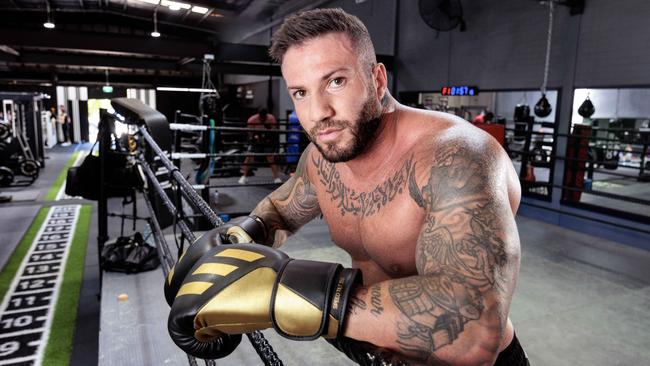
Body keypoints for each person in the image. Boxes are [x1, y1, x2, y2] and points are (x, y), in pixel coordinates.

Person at [167, 8, 527, 366]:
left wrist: (289, 293)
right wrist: (245, 233)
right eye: (301, 92)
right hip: (367, 348)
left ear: (378, 80)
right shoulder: (323, 157)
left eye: (335, 81)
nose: (318, 112)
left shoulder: (456, 157)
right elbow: (281, 211)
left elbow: (475, 332)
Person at [239, 108, 282, 184]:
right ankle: (244, 177)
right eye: (261, 118)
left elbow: (274, 131)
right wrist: (254, 137)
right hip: (256, 140)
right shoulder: (252, 120)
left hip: (268, 140)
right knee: (249, 156)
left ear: (266, 116)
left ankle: (276, 178)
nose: (262, 119)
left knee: (270, 157)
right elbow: (250, 134)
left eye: (264, 118)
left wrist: (268, 134)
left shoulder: (271, 119)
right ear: (259, 115)